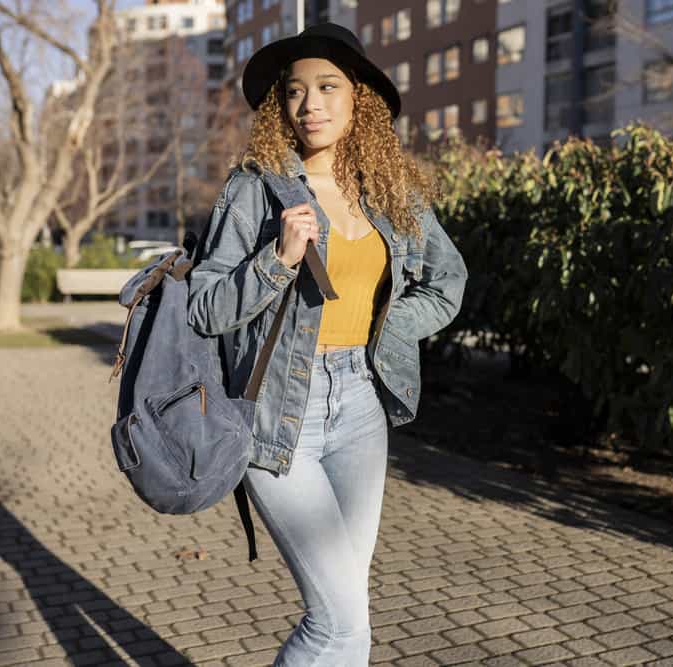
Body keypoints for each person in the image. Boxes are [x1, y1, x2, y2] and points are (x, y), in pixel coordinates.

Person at [186, 23, 468, 667]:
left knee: (352, 617)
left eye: (327, 87)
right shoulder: (254, 189)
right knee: (335, 623)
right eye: (294, 92)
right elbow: (204, 308)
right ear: (279, 107)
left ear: (358, 97)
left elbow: (447, 282)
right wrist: (277, 261)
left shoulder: (388, 193)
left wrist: (388, 329)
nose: (309, 104)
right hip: (278, 416)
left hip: (361, 410)